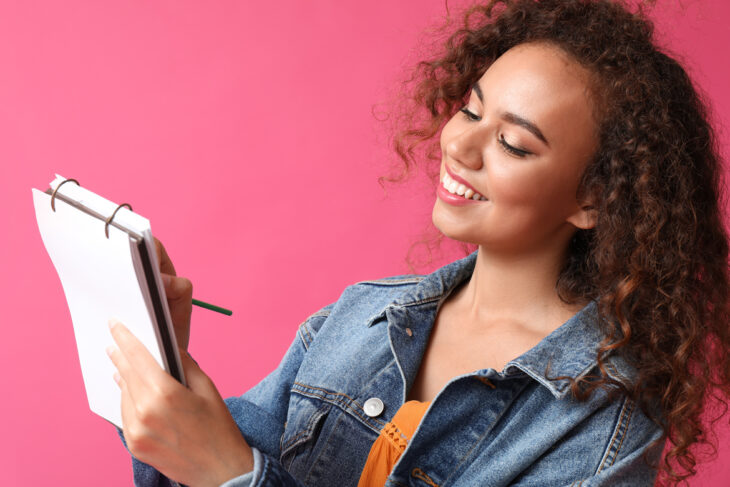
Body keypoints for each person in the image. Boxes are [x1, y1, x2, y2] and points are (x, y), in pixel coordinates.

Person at [106, 0, 730, 486]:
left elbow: (227, 467)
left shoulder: (601, 421)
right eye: (470, 109)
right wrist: (165, 358)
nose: (458, 147)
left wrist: (231, 474)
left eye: (514, 144)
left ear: (593, 199)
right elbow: (208, 458)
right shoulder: (360, 315)